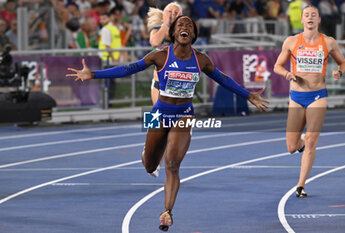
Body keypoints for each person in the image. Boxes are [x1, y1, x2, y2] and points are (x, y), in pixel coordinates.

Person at [67, 15, 269, 231]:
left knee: (172, 164)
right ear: (173, 33)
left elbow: (224, 79)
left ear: (193, 35)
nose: (185, 28)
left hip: (184, 114)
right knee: (150, 166)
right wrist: (94, 74)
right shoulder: (160, 56)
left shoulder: (201, 60)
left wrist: (248, 95)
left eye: (189, 25)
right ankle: (147, 152)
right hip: (158, 112)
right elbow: (128, 69)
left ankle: (167, 212)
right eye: (180, 25)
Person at [273, 5, 345, 198]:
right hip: (296, 97)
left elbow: (343, 62)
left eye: (314, 15)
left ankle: (300, 185)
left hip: (317, 96)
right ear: (302, 20)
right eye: (307, 15)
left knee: (313, 141)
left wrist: (339, 72)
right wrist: (287, 73)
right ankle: (303, 141)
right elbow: (277, 66)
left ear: (319, 19)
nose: (310, 17)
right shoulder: (291, 41)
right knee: (291, 147)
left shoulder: (328, 42)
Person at [147, 2, 182, 105]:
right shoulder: (156, 30)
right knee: (158, 115)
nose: (172, 15)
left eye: (176, 13)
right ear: (163, 16)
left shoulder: (182, 32)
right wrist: (165, 24)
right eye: (169, 12)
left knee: (178, 117)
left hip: (177, 82)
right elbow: (155, 42)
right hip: (159, 82)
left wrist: (179, 24)